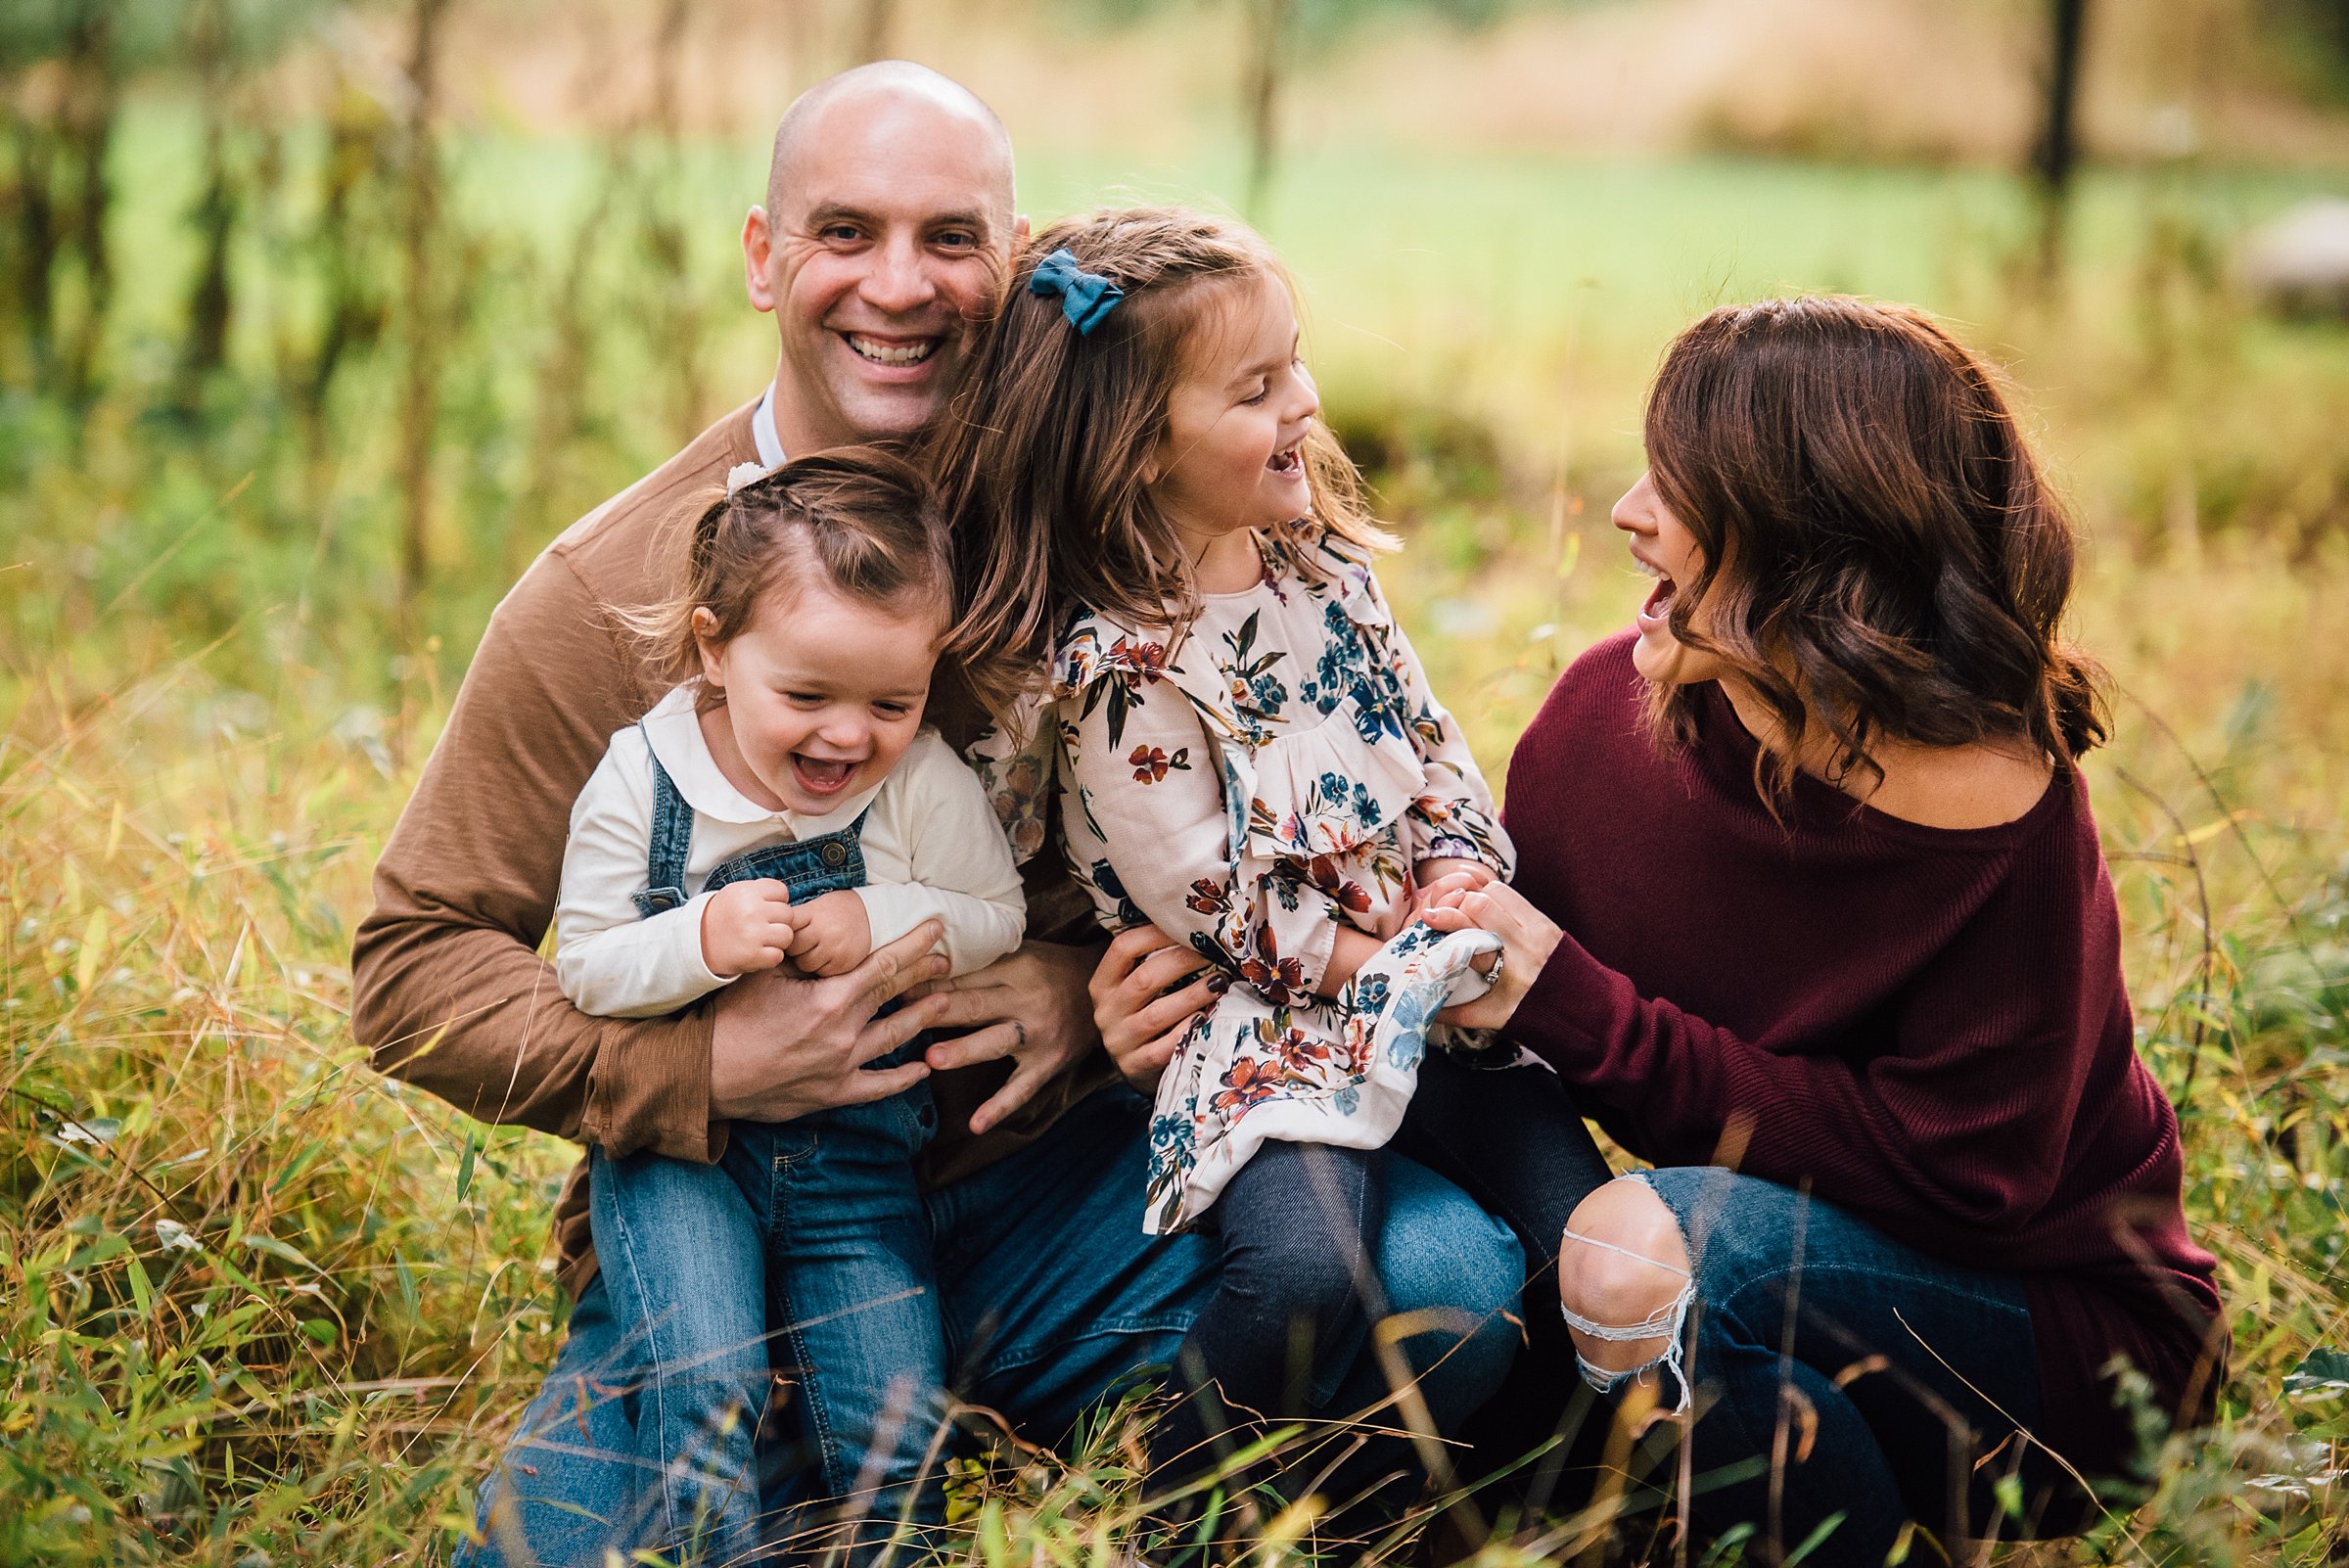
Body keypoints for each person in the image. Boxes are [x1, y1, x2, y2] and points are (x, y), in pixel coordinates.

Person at [349, 62, 1524, 1565]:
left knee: (1442, 1287)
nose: (896, 286)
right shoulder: (614, 592)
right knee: (566, 1553)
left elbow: (1293, 815)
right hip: (752, 1228)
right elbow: (413, 963)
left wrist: (1073, 992)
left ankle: (1107, 1501)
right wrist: (706, 1061)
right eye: (845, 232)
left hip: (1068, 1190)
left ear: (1014, 258)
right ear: (765, 255)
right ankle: (803, 1462)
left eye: (950, 239)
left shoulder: (1109, 509)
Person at [1414, 296, 2228, 1565]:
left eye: (1678, 486)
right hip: (1774, 1311)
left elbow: (1965, 1183)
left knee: (1658, 1250)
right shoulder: (1595, 721)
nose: (1628, 512)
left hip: (2052, 1333)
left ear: (1815, 537)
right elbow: (1503, 1031)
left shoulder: (1992, 806)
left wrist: (1582, 1009)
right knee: (1651, 1297)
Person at [937, 208, 1516, 1505]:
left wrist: (1458, 866)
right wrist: (1386, 959)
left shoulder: (1326, 574)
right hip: (1273, 1029)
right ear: (1139, 449)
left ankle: (1562, 1490)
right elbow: (1204, 895)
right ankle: (1171, 1512)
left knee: (1563, 1194)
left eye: (1295, 362)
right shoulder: (1122, 671)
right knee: (1306, 1270)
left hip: (1422, 975)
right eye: (1257, 389)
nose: (1305, 403)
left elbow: (1425, 738)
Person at [554, 450, 1028, 1560]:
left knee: (894, 1431)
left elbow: (994, 912)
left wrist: (883, 913)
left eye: (892, 701)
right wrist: (699, 942)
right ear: (716, 647)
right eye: (806, 696)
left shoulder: (918, 784)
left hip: (860, 1170)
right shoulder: (645, 777)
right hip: (679, 1160)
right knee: (705, 1391)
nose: (848, 738)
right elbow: (584, 963)